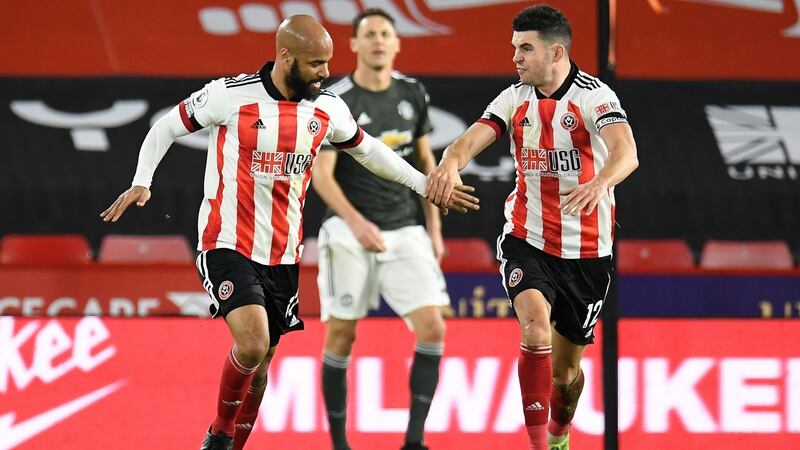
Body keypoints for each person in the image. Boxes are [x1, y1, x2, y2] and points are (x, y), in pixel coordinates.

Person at [100, 15, 478, 450]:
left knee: (261, 366)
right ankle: (219, 434)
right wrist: (143, 180)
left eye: (327, 63)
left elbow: (370, 151)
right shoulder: (229, 95)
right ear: (285, 57)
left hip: (282, 253)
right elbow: (168, 125)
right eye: (316, 64)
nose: (325, 73)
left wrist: (424, 185)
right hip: (227, 243)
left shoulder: (326, 108)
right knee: (252, 342)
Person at [426, 5, 638, 450]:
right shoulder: (513, 98)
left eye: (525, 48)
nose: (516, 57)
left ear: (556, 52)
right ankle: (539, 445)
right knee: (535, 330)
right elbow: (468, 141)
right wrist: (449, 163)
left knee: (565, 376)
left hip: (587, 253)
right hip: (528, 238)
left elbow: (626, 152)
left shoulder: (594, 97)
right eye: (514, 48)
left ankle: (560, 432)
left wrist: (600, 182)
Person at [312, 9, 448, 450]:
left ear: (396, 43)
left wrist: (434, 227)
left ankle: (414, 441)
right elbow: (322, 176)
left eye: (385, 33)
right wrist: (357, 222)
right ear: (353, 44)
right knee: (342, 334)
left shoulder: (412, 92)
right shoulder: (336, 100)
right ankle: (339, 443)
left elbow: (424, 161)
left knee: (433, 328)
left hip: (404, 227)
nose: (378, 41)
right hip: (347, 230)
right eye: (369, 34)